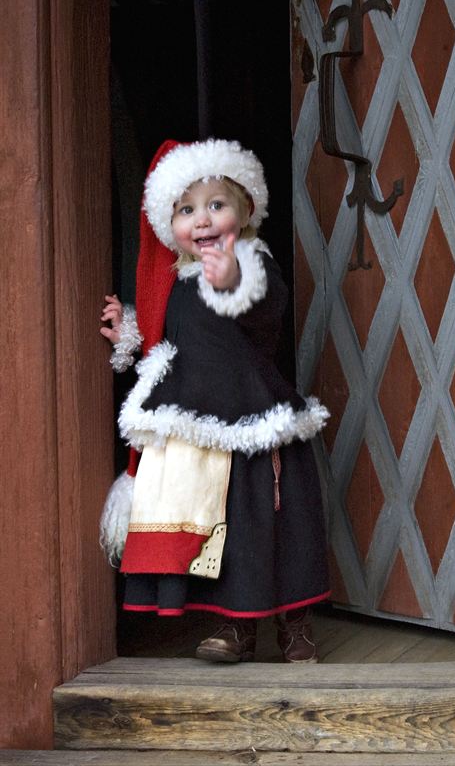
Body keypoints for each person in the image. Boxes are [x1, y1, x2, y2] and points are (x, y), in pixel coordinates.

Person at [100, 138, 331, 663]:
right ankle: (236, 627)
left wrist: (232, 282)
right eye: (186, 210)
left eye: (216, 205)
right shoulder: (174, 282)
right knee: (222, 533)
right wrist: (128, 334)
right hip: (202, 431)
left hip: (252, 420)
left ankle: (295, 626)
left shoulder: (250, 259)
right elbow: (172, 348)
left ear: (245, 210)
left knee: (275, 526)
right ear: (168, 224)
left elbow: (267, 306)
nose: (201, 219)